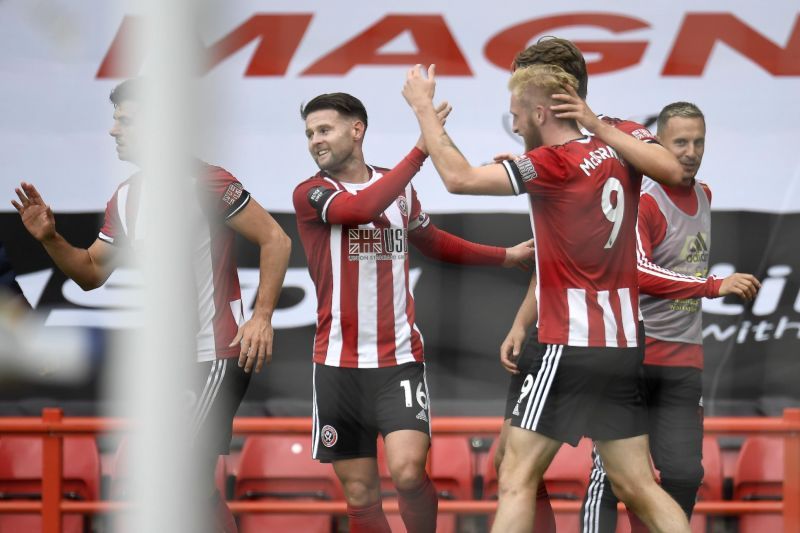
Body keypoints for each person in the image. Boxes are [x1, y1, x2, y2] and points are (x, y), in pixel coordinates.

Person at [403, 61, 693, 532]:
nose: (513, 122)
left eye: (516, 112)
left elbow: (458, 178)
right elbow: (669, 172)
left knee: (515, 474)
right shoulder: (617, 137)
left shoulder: (550, 164)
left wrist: (423, 109)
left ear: (541, 111)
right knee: (637, 483)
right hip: (620, 343)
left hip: (568, 343)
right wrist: (521, 323)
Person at [11, 78, 291, 533]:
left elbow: (275, 239)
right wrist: (50, 238)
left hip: (215, 353)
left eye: (125, 120)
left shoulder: (207, 181)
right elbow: (89, 273)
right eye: (115, 121)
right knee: (192, 486)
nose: (113, 131)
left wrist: (261, 318)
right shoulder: (126, 197)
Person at [292, 91, 534, 533]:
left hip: (398, 361)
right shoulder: (311, 193)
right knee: (361, 494)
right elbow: (361, 208)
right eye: (309, 134)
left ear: (356, 129)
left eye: (324, 130)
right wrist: (423, 148)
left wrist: (505, 255)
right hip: (336, 366)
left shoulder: (399, 187)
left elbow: (434, 241)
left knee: (407, 472)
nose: (315, 141)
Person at [579, 103, 760, 532]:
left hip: (683, 361)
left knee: (683, 473)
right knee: (613, 476)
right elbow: (636, 271)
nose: (691, 151)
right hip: (633, 356)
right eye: (680, 142)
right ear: (659, 143)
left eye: (699, 142)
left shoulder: (704, 195)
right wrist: (713, 286)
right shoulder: (643, 198)